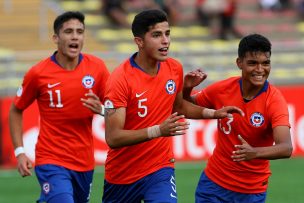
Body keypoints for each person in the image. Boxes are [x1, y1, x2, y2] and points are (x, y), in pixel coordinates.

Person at [102, 9, 243, 203]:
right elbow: (113, 137)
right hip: (122, 175)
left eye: (167, 34)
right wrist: (158, 130)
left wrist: (214, 113)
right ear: (139, 41)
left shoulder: (174, 68)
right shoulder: (120, 79)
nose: (165, 40)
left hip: (160, 168)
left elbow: (179, 107)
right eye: (157, 35)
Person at [9, 11, 110, 203]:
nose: (74, 36)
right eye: (68, 31)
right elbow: (16, 109)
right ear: (56, 38)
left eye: (79, 32)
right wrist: (20, 152)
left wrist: (103, 110)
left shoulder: (97, 68)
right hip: (51, 158)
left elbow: (117, 109)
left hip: (84, 162)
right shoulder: (38, 73)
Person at [183, 33, 293, 203]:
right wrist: (186, 89)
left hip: (252, 191)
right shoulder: (222, 88)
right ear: (239, 63)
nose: (260, 69)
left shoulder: (274, 100)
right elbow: (189, 106)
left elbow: (286, 147)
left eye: (265, 63)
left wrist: (254, 152)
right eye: (252, 63)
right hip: (214, 185)